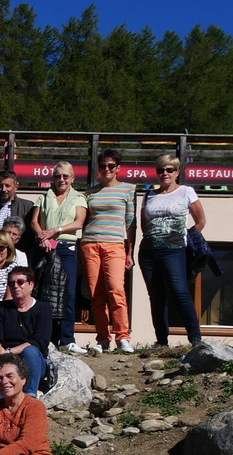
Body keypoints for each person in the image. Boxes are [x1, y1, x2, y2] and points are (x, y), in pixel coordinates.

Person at [140, 153, 205, 347]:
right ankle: (161, 341)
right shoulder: (149, 195)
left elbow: (201, 221)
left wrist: (188, 239)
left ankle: (195, 338)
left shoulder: (186, 192)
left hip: (174, 250)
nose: (165, 173)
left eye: (169, 170)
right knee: (156, 295)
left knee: (180, 291)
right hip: (149, 252)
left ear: (177, 172)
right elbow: (144, 224)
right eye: (160, 170)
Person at [31, 161, 88, 353]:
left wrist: (56, 230)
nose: (61, 179)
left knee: (68, 293)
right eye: (57, 176)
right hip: (45, 248)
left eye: (65, 176)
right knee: (45, 294)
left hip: (67, 248)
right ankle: (47, 338)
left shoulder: (79, 198)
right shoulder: (44, 196)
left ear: (72, 178)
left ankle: (67, 338)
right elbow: (34, 221)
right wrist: (43, 236)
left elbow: (79, 222)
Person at [84, 149, 137, 354]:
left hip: (115, 245)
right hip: (90, 244)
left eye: (111, 166)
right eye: (103, 166)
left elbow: (130, 223)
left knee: (116, 290)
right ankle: (103, 339)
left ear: (118, 168)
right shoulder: (90, 192)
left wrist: (130, 252)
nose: (107, 169)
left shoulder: (128, 189)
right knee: (96, 294)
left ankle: (123, 337)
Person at [0, 266, 52, 395]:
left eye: (20, 282)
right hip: (7, 359)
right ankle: (0, 405)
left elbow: (39, 341)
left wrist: (10, 351)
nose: (16, 286)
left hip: (33, 362)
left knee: (31, 351)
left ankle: (30, 396)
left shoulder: (43, 309)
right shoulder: (0, 308)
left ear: (31, 285)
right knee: (2, 365)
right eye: (12, 283)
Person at [0, 170, 37, 260]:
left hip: (18, 258)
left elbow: (31, 235)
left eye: (7, 186)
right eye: (0, 186)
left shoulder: (28, 207)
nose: (3, 189)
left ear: (16, 186)